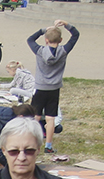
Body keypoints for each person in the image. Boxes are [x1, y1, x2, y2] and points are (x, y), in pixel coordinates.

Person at [26, 20, 78, 153]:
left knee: (35, 117)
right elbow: (75, 35)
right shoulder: (64, 51)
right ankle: (48, 146)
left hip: (40, 87)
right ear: (60, 40)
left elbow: (30, 39)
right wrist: (66, 24)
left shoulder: (39, 51)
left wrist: (44, 30)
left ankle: (31, 143)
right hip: (54, 89)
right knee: (50, 118)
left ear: (46, 40)